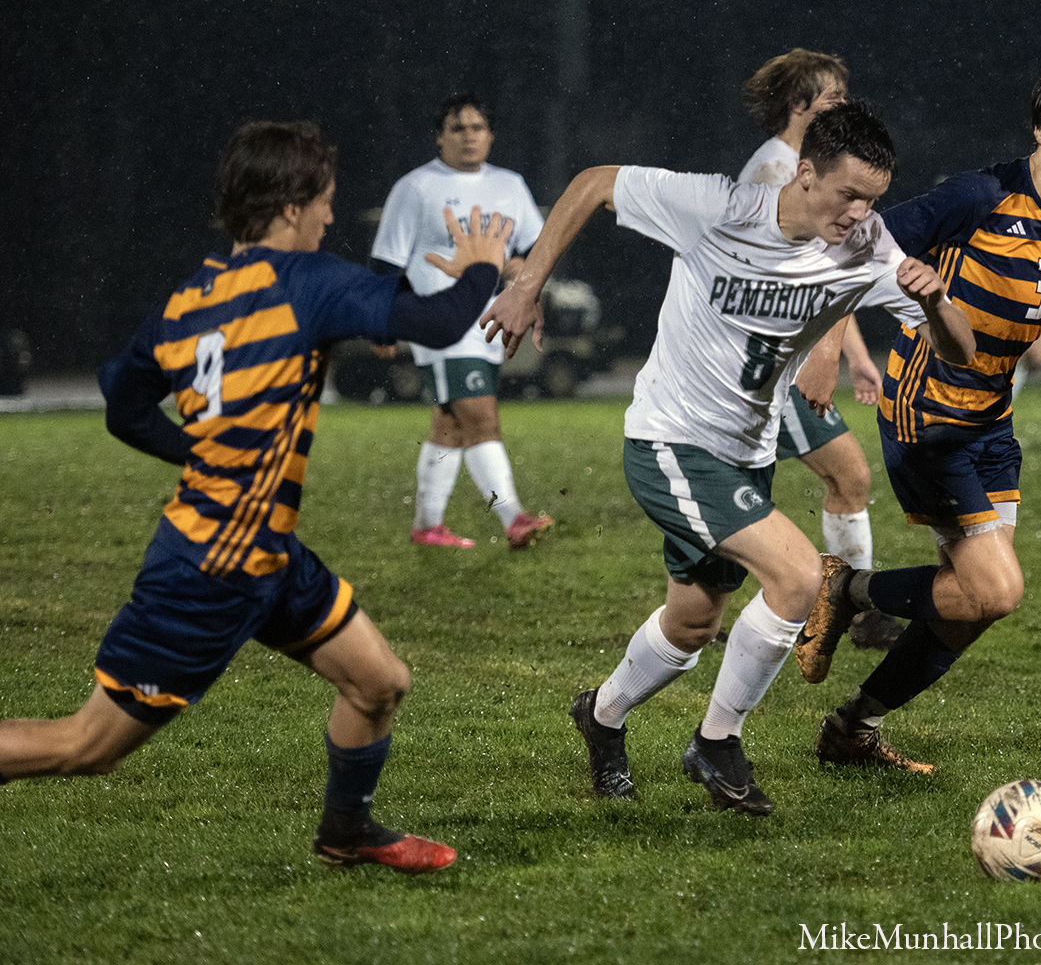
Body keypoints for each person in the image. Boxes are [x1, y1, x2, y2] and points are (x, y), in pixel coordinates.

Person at [0, 120, 513, 875]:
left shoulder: (187, 300)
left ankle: (346, 834)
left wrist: (201, 453)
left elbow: (124, 407)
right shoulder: (304, 283)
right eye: (326, 201)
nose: (331, 216)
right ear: (293, 205)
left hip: (266, 555)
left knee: (379, 684)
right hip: (208, 570)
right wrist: (483, 266)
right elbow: (436, 323)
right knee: (86, 746)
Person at [482, 101, 977, 814]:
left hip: (746, 455)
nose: (861, 213)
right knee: (798, 577)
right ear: (805, 173)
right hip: (670, 441)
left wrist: (935, 303)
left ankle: (602, 715)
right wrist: (528, 284)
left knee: (691, 623)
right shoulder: (718, 207)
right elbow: (593, 182)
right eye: (848, 194)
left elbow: (959, 352)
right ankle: (716, 743)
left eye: (873, 199)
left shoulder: (868, 245)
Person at [798, 61, 1041, 775]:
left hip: (991, 421)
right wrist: (828, 347)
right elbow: (858, 246)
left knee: (976, 604)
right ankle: (846, 589)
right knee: (996, 591)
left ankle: (853, 727)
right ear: (1038, 130)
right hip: (928, 412)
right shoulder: (978, 195)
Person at [740, 48, 902, 651]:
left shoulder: (810, 168)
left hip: (786, 358)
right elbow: (797, 282)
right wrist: (821, 354)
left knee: (838, 479)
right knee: (843, 476)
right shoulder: (776, 171)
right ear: (798, 104)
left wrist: (852, 356)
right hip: (769, 366)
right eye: (833, 97)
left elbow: (831, 280)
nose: (843, 105)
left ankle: (844, 610)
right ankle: (843, 611)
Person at [371, 92, 552, 550]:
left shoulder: (510, 185)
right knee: (481, 418)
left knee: (450, 426)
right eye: (457, 128)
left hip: (489, 322)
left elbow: (532, 249)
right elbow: (386, 262)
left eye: (477, 128)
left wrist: (521, 275)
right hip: (440, 324)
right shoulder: (416, 188)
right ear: (440, 137)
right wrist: (381, 324)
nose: (468, 136)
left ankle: (427, 526)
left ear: (491, 136)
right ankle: (513, 519)